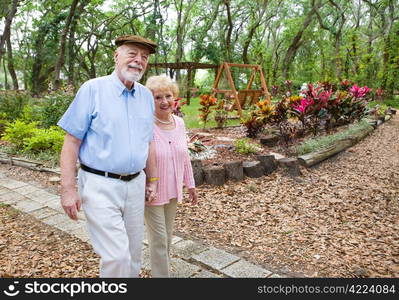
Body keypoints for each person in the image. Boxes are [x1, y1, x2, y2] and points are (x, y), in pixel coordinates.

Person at [57, 35, 159, 278]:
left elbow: (149, 142)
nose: (138, 61)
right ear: (116, 56)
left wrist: (152, 180)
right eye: (132, 53)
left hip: (136, 184)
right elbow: (71, 142)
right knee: (117, 257)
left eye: (144, 57)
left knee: (134, 256)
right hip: (99, 184)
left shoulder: (146, 96)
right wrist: (68, 189)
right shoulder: (93, 89)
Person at [144, 74, 198, 277]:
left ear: (174, 97)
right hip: (152, 191)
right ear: (150, 100)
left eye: (168, 96)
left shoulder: (179, 123)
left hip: (173, 190)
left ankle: (161, 273)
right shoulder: (146, 124)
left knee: (166, 236)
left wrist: (190, 185)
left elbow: (184, 157)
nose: (164, 101)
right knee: (158, 239)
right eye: (158, 97)